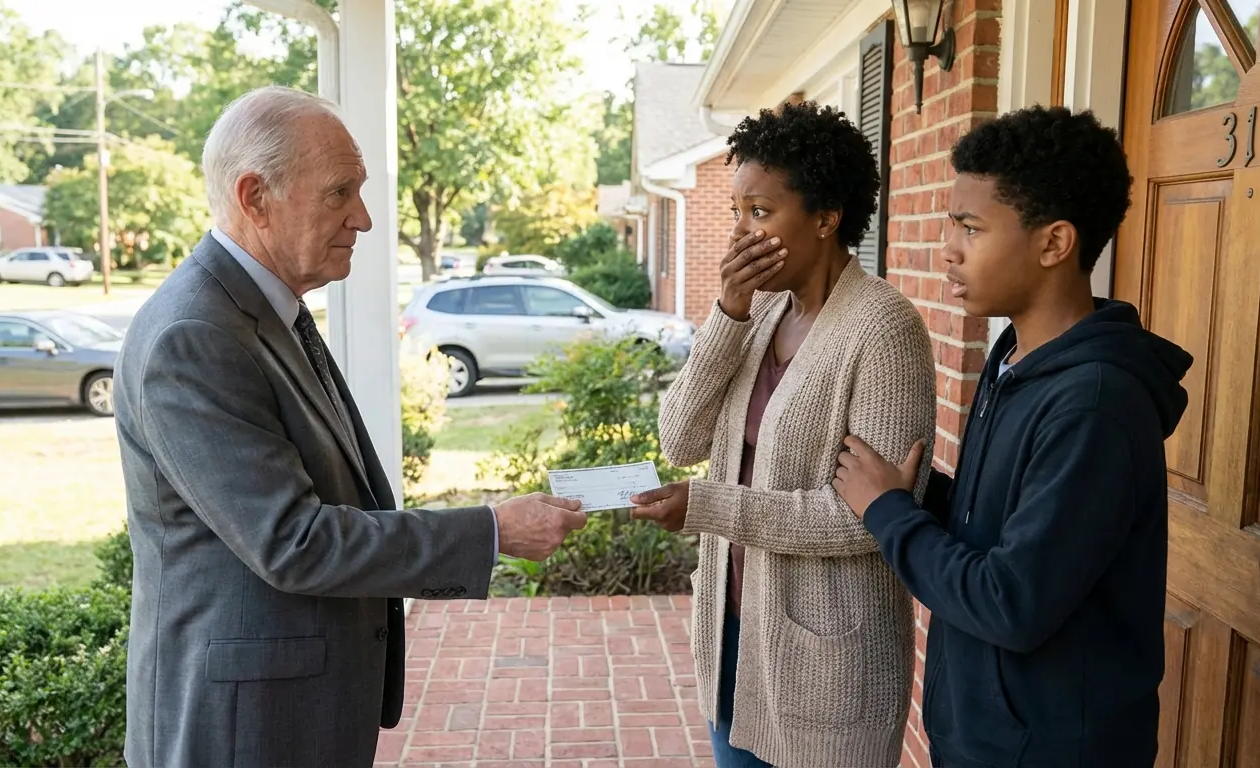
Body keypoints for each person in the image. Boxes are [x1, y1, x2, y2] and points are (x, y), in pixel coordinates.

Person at [114, 86, 587, 768]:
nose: (363, 219)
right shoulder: (196, 335)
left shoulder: (264, 309)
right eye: (340, 192)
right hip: (240, 728)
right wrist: (492, 530)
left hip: (290, 712)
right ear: (255, 197)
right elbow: (294, 540)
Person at [833, 106, 1193, 766]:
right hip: (984, 738)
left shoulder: (1096, 405)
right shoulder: (1012, 358)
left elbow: (1012, 603)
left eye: (971, 227)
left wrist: (888, 514)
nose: (948, 247)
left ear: (1054, 243)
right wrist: (924, 496)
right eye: (949, 222)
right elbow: (1006, 530)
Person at [629, 100, 937, 767]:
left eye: (760, 213)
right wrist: (728, 314)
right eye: (735, 211)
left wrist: (706, 505)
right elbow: (680, 438)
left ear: (826, 219)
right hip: (733, 636)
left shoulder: (884, 330)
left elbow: (866, 519)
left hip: (826, 668)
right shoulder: (760, 311)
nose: (740, 233)